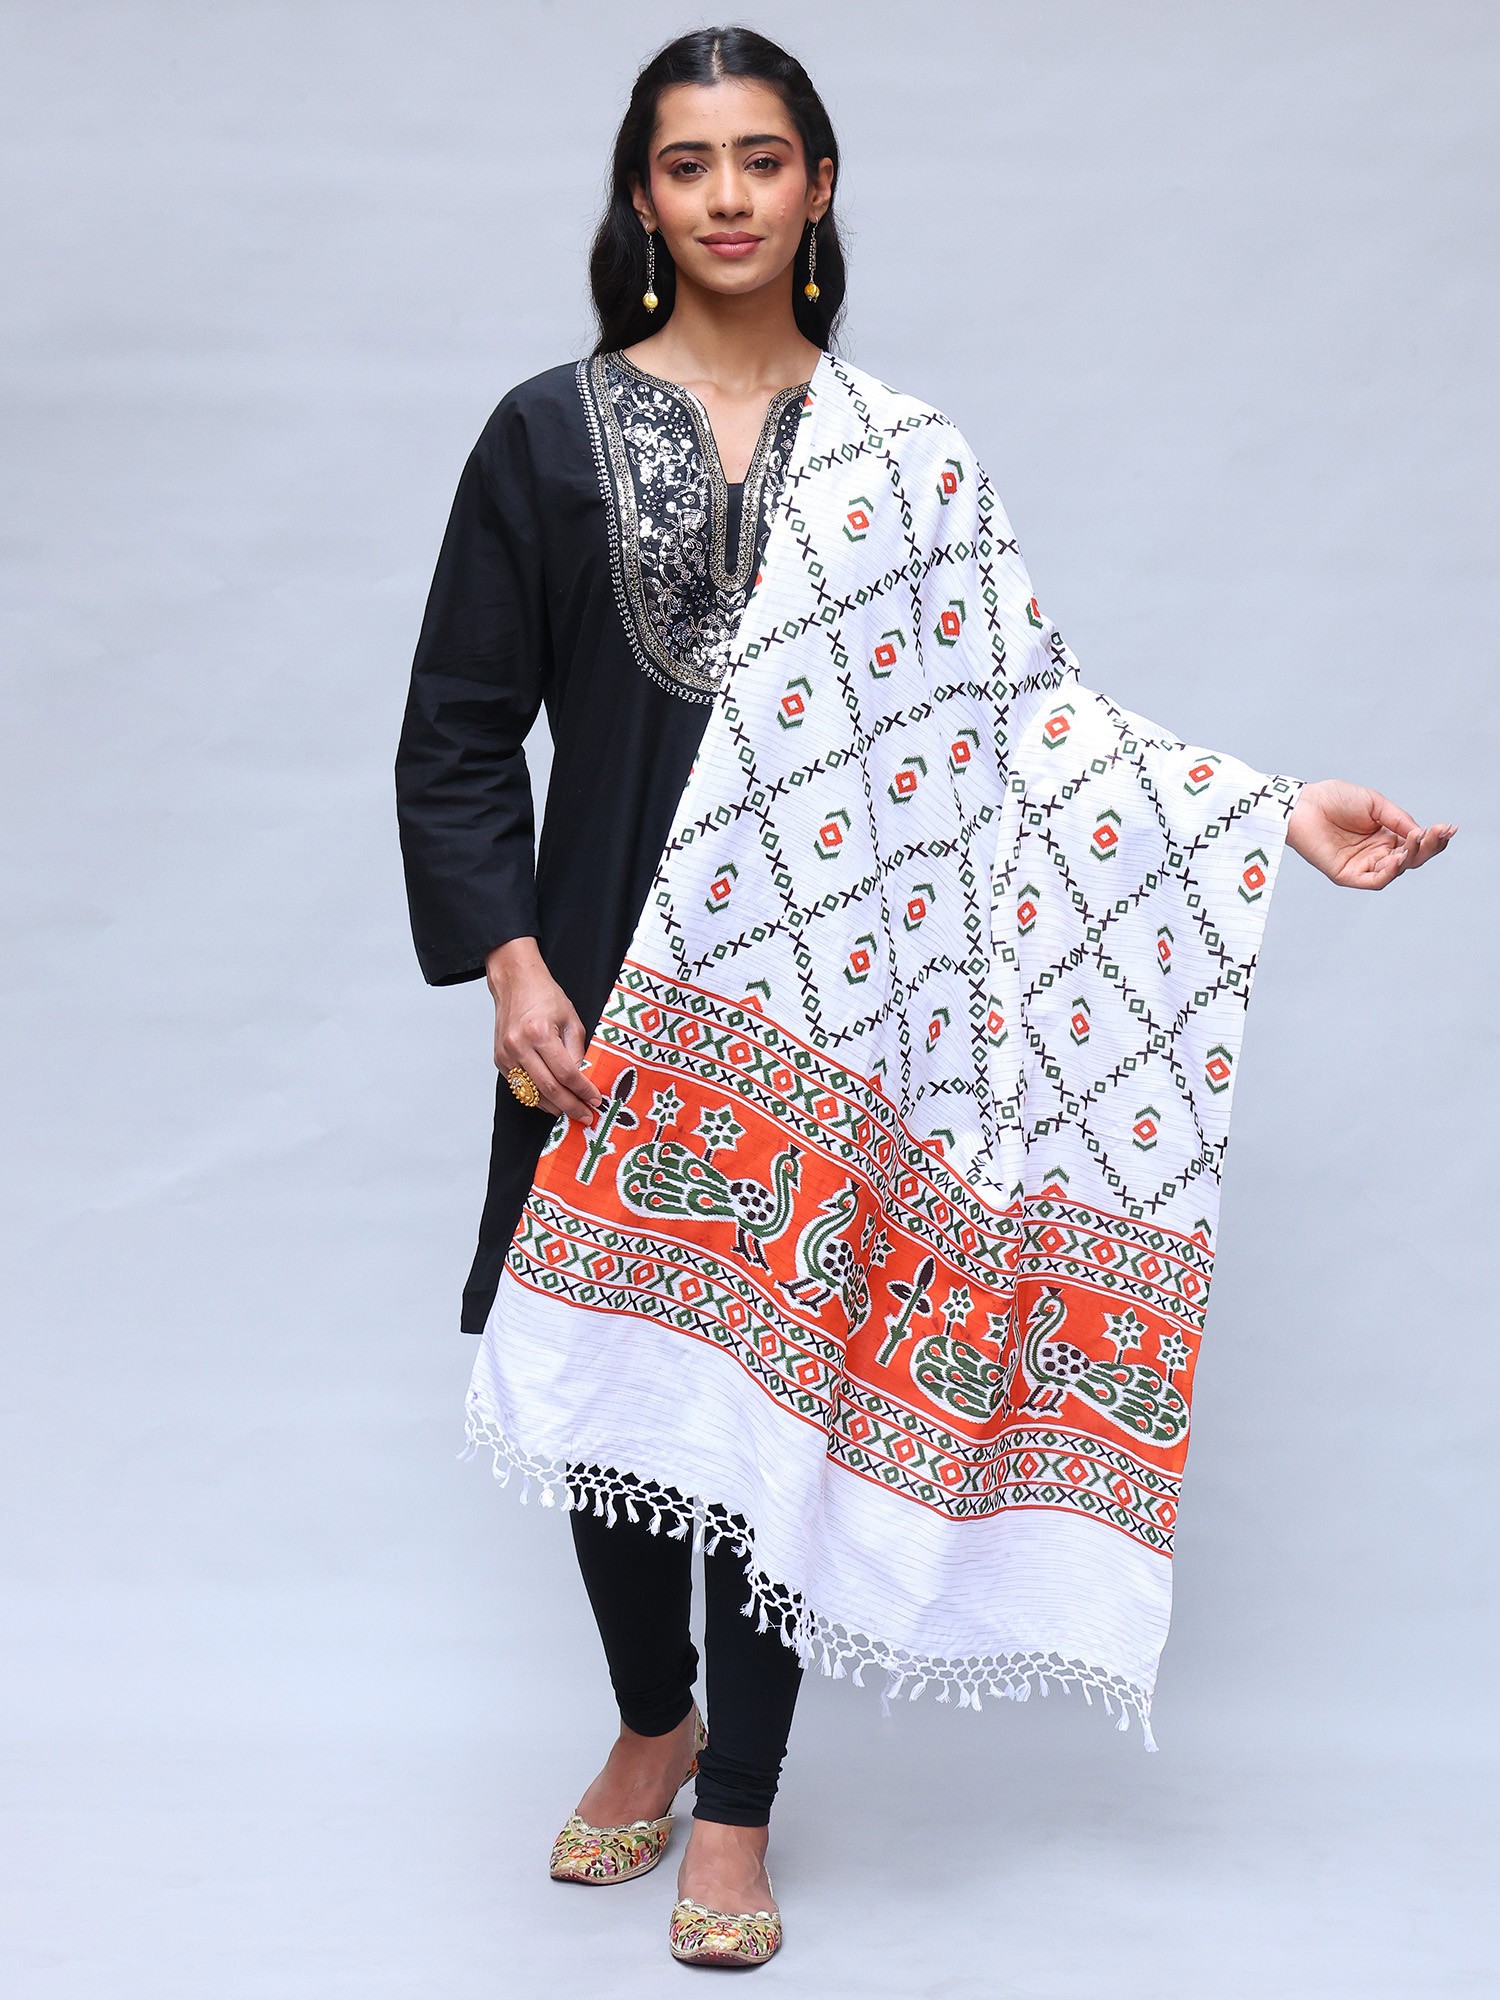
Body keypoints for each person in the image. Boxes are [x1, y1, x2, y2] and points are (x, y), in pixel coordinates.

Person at [395, 26, 1454, 1972]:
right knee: (609, 1373)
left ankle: (736, 1808)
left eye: (763, 158)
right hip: (601, 992)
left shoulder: (909, 460)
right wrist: (511, 963)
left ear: (818, 188)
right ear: (640, 199)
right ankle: (652, 1718)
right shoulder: (543, 438)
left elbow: (1032, 725)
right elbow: (460, 730)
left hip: (842, 1010)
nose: (728, 196)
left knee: (787, 1391)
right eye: (690, 163)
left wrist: (1273, 811)